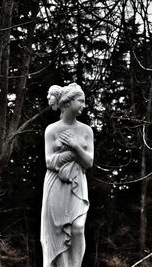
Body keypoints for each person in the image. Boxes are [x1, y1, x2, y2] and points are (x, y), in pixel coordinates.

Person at [41, 83, 94, 267]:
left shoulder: (87, 130)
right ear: (68, 102)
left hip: (78, 182)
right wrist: (72, 153)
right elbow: (49, 162)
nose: (84, 105)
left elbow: (89, 162)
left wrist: (75, 146)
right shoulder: (52, 130)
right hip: (55, 183)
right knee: (57, 232)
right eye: (81, 101)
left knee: (78, 228)